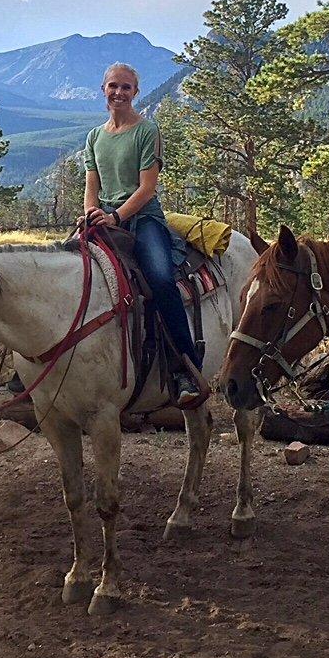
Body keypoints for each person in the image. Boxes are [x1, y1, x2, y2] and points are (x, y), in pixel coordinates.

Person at [82, 62, 200, 404]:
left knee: (161, 279)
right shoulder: (94, 137)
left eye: (126, 87)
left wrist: (116, 216)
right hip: (105, 217)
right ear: (104, 89)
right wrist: (91, 212)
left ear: (136, 92)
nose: (119, 92)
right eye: (113, 86)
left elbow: (147, 188)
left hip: (142, 218)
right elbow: (92, 186)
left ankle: (186, 369)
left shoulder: (147, 131)